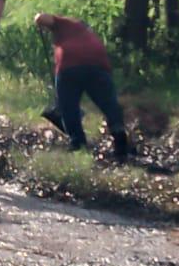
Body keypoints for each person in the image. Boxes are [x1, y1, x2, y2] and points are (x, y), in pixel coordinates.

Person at [34, 12, 128, 161]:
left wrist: (38, 19)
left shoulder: (67, 23)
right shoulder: (89, 35)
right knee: (109, 104)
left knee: (67, 106)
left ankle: (78, 144)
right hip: (98, 66)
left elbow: (42, 17)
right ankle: (120, 138)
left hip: (69, 67)